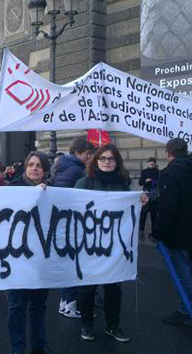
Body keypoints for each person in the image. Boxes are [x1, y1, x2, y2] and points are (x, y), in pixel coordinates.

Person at [74, 144, 147, 343]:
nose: (107, 162)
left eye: (112, 159)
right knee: (87, 288)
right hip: (88, 246)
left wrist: (141, 200)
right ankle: (87, 324)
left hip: (114, 246)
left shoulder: (124, 184)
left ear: (117, 162)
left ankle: (113, 326)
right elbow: (71, 208)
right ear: (96, 161)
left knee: (114, 288)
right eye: (103, 158)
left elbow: (132, 205)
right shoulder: (83, 183)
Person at [7, 151, 52, 354]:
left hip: (42, 258)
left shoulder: (53, 192)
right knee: (17, 306)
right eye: (31, 165)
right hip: (16, 258)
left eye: (39, 165)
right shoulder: (13, 188)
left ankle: (39, 345)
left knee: (38, 306)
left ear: (44, 170)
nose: (34, 168)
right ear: (25, 168)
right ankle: (18, 348)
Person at [51, 137, 94, 319]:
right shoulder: (77, 169)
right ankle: (70, 304)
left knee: (68, 262)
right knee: (74, 264)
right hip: (74, 222)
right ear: (78, 152)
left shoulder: (62, 166)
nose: (90, 157)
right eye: (88, 154)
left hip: (63, 222)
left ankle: (65, 302)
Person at [154, 138, 192, 327]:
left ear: (168, 153)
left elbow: (168, 208)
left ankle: (186, 310)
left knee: (183, 272)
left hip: (180, 233)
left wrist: (159, 233)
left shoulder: (170, 173)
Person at [138, 157, 159, 238]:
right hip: (145, 193)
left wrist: (153, 181)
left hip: (154, 194)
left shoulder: (158, 172)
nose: (151, 166)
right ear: (147, 164)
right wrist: (145, 181)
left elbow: (159, 182)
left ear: (155, 164)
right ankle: (141, 230)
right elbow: (140, 183)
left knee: (154, 215)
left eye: (153, 164)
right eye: (150, 164)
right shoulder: (144, 171)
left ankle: (153, 232)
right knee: (143, 213)